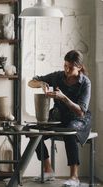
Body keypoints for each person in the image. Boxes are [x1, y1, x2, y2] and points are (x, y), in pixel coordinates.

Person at [28, 50, 91, 187]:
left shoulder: (85, 83)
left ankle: (74, 177)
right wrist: (41, 84)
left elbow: (81, 111)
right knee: (33, 133)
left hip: (78, 119)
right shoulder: (57, 76)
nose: (66, 70)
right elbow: (31, 82)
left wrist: (64, 98)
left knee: (69, 132)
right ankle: (48, 169)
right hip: (58, 116)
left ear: (79, 67)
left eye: (71, 67)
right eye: (65, 66)